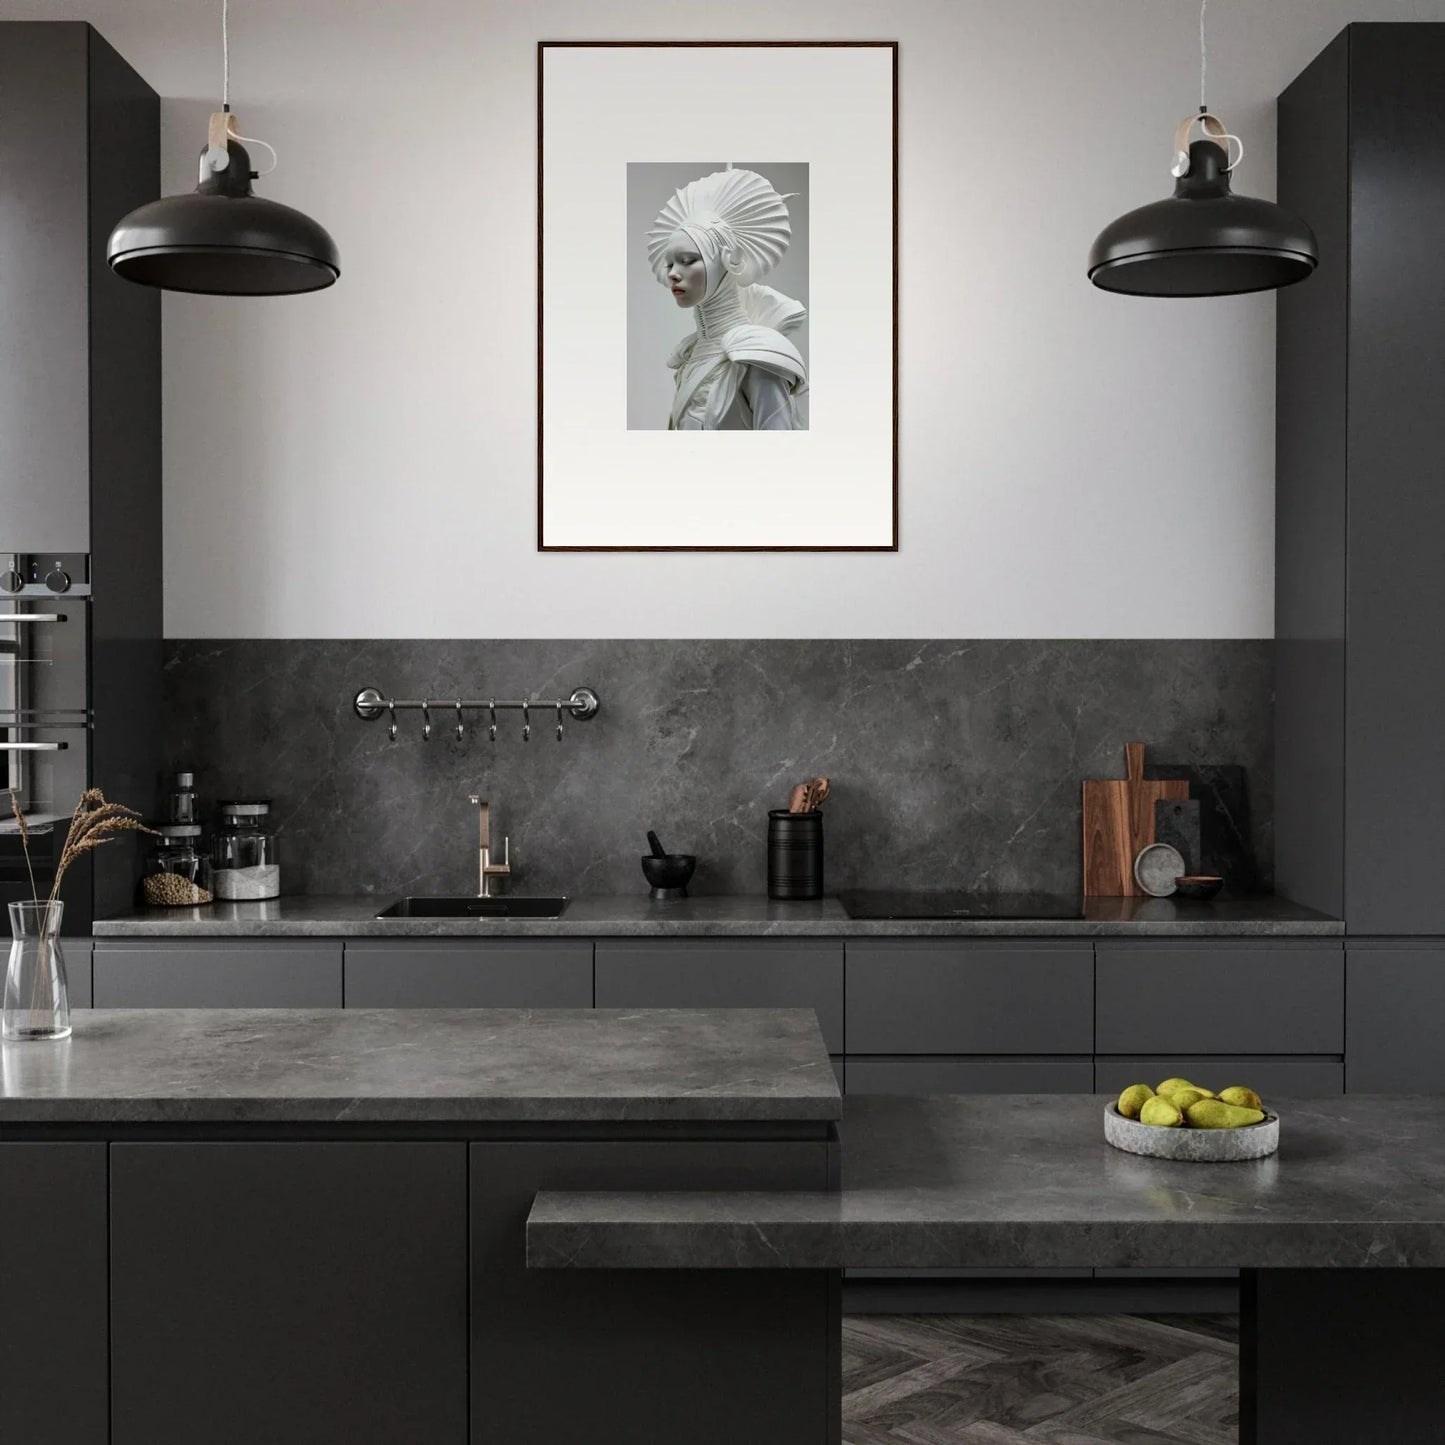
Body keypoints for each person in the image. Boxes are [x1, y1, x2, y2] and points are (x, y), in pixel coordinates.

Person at [647, 167, 808, 430]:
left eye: (688, 260)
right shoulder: (689, 354)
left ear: (728, 260)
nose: (674, 273)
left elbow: (780, 453)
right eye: (670, 264)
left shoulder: (756, 353)